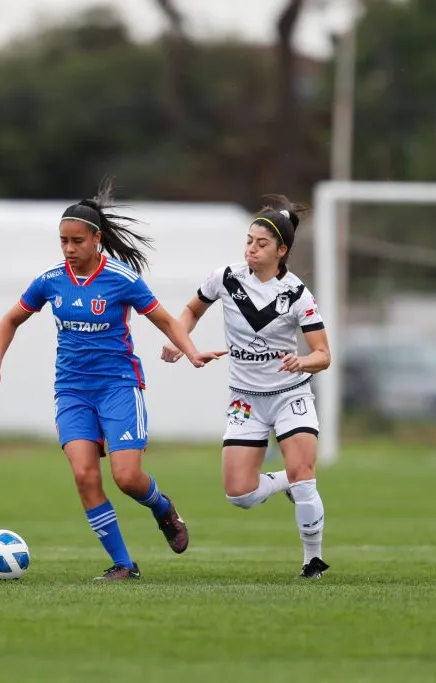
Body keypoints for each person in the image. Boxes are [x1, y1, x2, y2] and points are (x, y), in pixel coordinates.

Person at [0, 181, 225, 581]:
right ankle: (124, 564)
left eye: (77, 241)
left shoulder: (122, 279)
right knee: (83, 475)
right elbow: (11, 319)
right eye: (63, 241)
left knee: (127, 478)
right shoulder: (50, 281)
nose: (69, 249)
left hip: (118, 386)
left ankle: (163, 507)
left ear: (98, 239)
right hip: (72, 392)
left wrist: (192, 351)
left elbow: (163, 319)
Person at [161, 196, 332, 579]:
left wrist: (301, 361)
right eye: (249, 241)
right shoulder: (225, 278)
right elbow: (190, 311)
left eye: (261, 244)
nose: (251, 249)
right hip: (246, 400)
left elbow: (323, 354)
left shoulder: (298, 295)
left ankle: (312, 560)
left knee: (306, 474)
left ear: (281, 250)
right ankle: (288, 479)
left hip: (291, 395)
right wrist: (180, 340)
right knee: (239, 494)